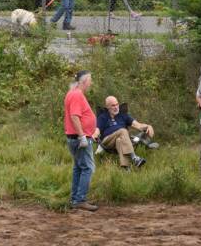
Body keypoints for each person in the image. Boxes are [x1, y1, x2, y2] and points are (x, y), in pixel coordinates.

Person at [64, 70, 99, 211]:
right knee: (88, 168)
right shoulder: (77, 95)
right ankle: (80, 199)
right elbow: (74, 116)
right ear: (84, 81)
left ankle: (75, 198)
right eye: (90, 80)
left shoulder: (73, 93)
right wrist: (82, 136)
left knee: (79, 167)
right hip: (79, 138)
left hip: (75, 137)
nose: (91, 83)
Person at [95, 96, 154, 170]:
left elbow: (138, 125)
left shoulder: (123, 115)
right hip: (107, 141)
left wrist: (148, 126)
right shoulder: (103, 117)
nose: (116, 107)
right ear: (107, 107)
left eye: (117, 104)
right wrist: (94, 136)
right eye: (113, 105)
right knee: (123, 131)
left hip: (121, 139)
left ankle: (126, 168)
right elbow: (97, 130)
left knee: (119, 141)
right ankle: (134, 157)